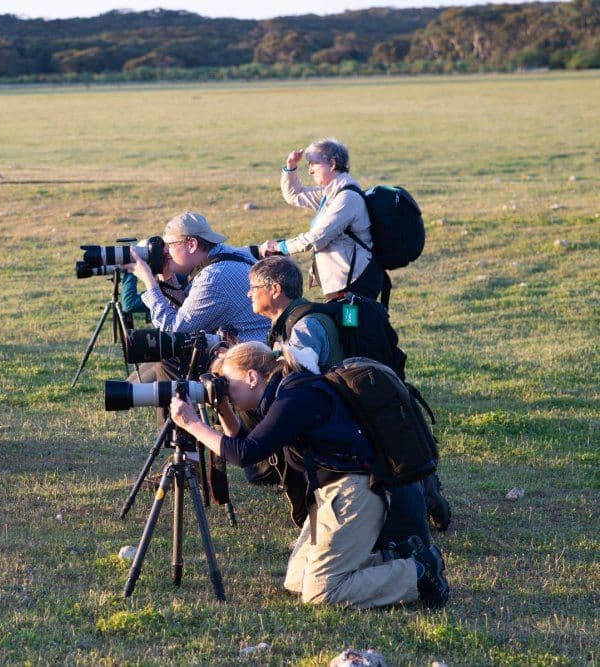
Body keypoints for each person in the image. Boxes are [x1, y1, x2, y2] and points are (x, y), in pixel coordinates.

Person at [169, 342, 449, 609]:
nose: (225, 390)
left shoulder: (295, 395)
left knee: (320, 590)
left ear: (252, 377)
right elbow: (250, 445)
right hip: (323, 499)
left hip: (353, 494)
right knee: (297, 579)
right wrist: (224, 409)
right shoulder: (284, 391)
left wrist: (192, 424)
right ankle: (393, 556)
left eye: (229, 383)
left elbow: (244, 454)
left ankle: (418, 571)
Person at [247, 255, 448, 545]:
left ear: (275, 289)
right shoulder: (297, 318)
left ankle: (317, 535)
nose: (249, 293)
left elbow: (300, 376)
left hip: (343, 415)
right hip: (354, 407)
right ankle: (428, 498)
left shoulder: (304, 326)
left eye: (254, 287)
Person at [123, 211, 270, 392]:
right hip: (249, 345)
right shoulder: (224, 255)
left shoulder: (213, 276)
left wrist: (149, 281)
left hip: (252, 356)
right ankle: (131, 390)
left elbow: (173, 331)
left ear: (192, 244)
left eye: (169, 245)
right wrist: (167, 277)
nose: (165, 253)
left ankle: (180, 417)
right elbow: (188, 313)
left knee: (170, 358)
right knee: (140, 377)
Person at [259, 139, 385, 301]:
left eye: (313, 164)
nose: (310, 171)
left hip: (353, 281)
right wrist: (290, 167)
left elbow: (316, 238)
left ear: (332, 164)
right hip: (344, 280)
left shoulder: (346, 198)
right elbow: (294, 195)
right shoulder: (331, 193)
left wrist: (281, 246)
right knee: (346, 324)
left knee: (351, 324)